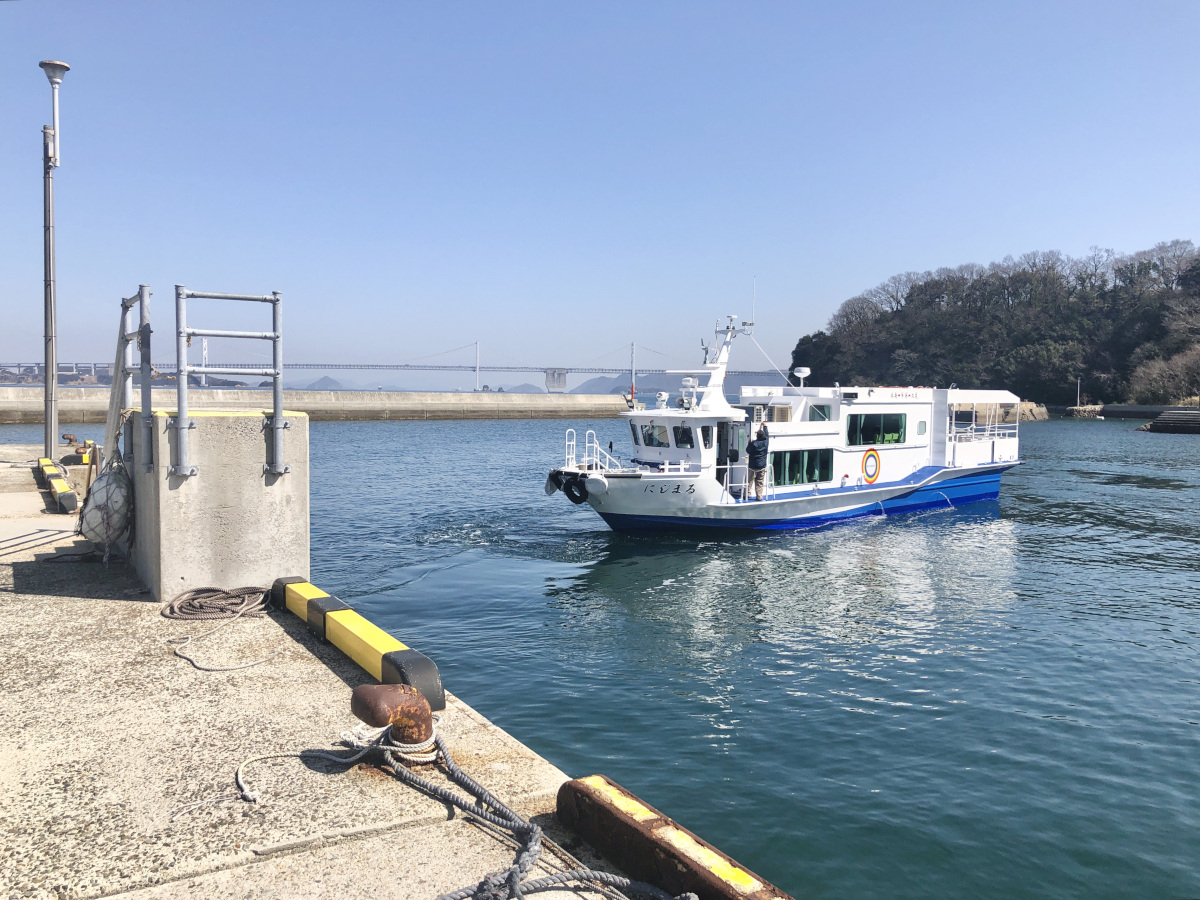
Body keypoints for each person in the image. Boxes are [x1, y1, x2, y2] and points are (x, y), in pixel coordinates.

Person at [745, 424, 769, 500]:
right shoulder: (766, 443)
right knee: (759, 482)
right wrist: (765, 427)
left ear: (757, 436)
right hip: (761, 467)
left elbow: (748, 451)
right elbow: (767, 435)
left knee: (749, 482)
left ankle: (747, 495)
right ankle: (759, 496)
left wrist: (749, 444)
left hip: (752, 466)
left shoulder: (753, 444)